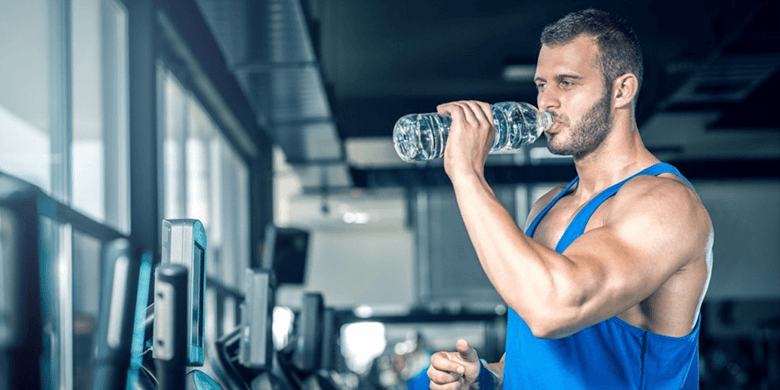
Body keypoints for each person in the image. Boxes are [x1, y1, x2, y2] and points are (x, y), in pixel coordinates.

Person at [427, 9, 713, 390]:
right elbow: (550, 351)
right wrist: (490, 375)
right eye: (541, 84)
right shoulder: (547, 206)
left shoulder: (668, 206)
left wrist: (466, 173)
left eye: (567, 83)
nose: (547, 102)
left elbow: (554, 309)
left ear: (622, 90)